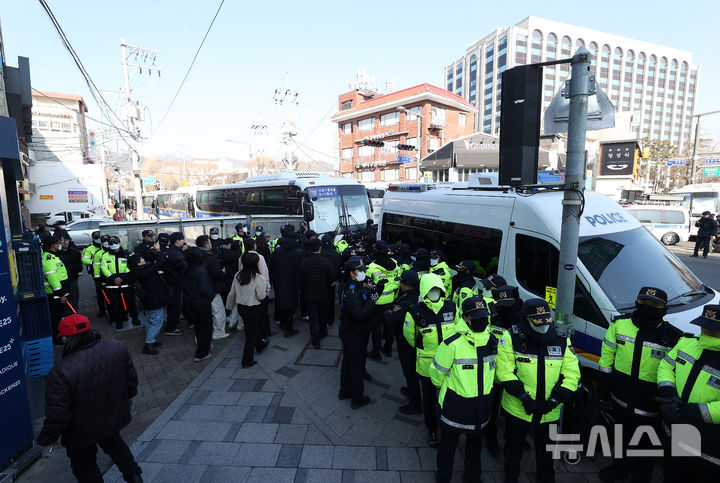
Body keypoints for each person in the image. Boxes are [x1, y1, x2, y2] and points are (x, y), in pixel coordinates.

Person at [36, 314, 143, 482]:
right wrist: (130, 399)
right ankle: (135, 477)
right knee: (115, 443)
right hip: (110, 417)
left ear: (65, 338)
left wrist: (46, 440)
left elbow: (57, 414)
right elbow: (131, 380)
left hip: (80, 431)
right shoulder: (116, 347)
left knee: (84, 464)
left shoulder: (61, 371)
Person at [597, 287, 682, 482]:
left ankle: (641, 476)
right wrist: (604, 381)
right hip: (620, 394)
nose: (648, 308)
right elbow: (607, 352)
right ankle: (618, 469)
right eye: (644, 303)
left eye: (655, 305)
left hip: (649, 400)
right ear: (636, 303)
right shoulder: (619, 325)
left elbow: (673, 369)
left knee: (646, 444)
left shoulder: (673, 336)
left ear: (664, 309)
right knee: (620, 435)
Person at [496, 299, 580, 483]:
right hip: (518, 410)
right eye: (537, 321)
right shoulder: (511, 337)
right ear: (526, 319)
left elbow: (572, 374)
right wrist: (524, 398)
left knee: (547, 456)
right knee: (512, 453)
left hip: (549, 413)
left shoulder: (561, 340)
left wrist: (554, 401)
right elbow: (504, 372)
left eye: (545, 320)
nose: (542, 326)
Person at [430, 296, 498, 483]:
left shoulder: (492, 340)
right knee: (448, 447)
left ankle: (472, 477)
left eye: (484, 315)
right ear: (464, 317)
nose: (481, 320)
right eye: (476, 316)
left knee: (475, 446)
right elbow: (436, 373)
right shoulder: (451, 343)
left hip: (481, 404)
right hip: (455, 404)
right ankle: (444, 478)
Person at [657, 303, 720, 479]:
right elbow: (666, 365)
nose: (705, 331)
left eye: (713, 329)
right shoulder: (688, 343)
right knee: (671, 474)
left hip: (709, 448)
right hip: (676, 432)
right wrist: (667, 391)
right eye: (705, 326)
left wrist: (687, 411)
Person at [403, 273, 458, 447]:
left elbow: (458, 332)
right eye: (431, 289)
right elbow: (410, 337)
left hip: (450, 365)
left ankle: (448, 426)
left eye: (437, 289)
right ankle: (432, 429)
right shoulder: (414, 312)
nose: (434, 293)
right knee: (429, 400)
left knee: (449, 398)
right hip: (427, 365)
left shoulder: (452, 308)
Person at [485, 284, 522, 456]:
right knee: (491, 410)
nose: (504, 309)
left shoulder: (523, 319)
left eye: (508, 305)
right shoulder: (493, 316)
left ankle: (513, 437)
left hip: (515, 374)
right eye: (501, 305)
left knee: (513, 411)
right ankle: (491, 439)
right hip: (493, 374)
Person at [339, 256, 377, 409]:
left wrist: (371, 289)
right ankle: (357, 398)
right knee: (355, 365)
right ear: (352, 273)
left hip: (350, 332)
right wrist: (373, 300)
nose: (363, 273)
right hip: (354, 334)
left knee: (348, 362)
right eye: (360, 270)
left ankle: (345, 391)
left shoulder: (354, 285)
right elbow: (359, 315)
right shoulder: (351, 292)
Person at [383, 270, 422, 415]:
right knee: (412, 371)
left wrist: (387, 312)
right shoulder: (419, 295)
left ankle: (415, 404)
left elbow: (391, 319)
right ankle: (411, 390)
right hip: (416, 339)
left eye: (401, 282)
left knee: (409, 372)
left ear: (406, 284)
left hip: (406, 341)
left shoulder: (406, 301)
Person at [226, 252, 268, 368]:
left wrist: (228, 308)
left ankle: (260, 345)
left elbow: (232, 293)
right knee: (251, 334)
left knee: (250, 328)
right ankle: (247, 360)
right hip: (254, 307)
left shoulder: (237, 275)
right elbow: (260, 296)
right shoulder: (259, 278)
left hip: (241, 308)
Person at [127, 255, 168, 355]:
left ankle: (152, 340)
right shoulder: (144, 272)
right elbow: (159, 262)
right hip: (154, 300)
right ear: (138, 263)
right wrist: (158, 252)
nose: (143, 258)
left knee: (150, 320)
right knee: (157, 322)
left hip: (149, 301)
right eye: (141, 258)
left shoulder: (138, 272)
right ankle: (148, 343)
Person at [298, 238, 335, 349]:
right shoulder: (326, 262)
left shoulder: (303, 263)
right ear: (320, 248)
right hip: (324, 293)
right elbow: (332, 279)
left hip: (309, 294)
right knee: (323, 315)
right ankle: (323, 331)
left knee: (313, 317)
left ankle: (315, 339)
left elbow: (299, 280)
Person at [366, 240, 399, 359]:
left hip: (376, 301)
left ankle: (376, 352)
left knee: (376, 327)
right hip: (390, 300)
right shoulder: (395, 264)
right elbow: (397, 282)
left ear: (376, 251)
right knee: (389, 326)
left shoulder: (372, 267)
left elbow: (368, 286)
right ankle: (388, 350)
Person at [270, 231, 305, 337]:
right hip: (294, 282)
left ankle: (282, 323)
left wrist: (274, 277)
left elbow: (270, 265)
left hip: (279, 280)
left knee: (281, 301)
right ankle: (289, 328)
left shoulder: (277, 251)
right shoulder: (299, 252)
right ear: (297, 240)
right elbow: (302, 268)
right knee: (291, 304)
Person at [182, 247, 214, 362]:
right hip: (202, 303)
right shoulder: (201, 271)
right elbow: (204, 289)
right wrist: (212, 296)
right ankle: (202, 353)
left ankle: (203, 347)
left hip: (192, 302)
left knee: (199, 327)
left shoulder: (187, 268)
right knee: (206, 328)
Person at [101, 236, 140, 329]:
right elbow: (104, 268)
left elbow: (131, 265)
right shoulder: (105, 255)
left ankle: (135, 319)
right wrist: (113, 278)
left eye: (115, 243)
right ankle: (119, 321)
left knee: (131, 303)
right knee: (116, 305)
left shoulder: (127, 253)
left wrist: (121, 277)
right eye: (111, 244)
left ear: (119, 243)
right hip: (112, 285)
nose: (114, 245)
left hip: (126, 283)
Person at [238, 237, 271, 343]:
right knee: (262, 313)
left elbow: (240, 272)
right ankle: (262, 335)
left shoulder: (241, 257)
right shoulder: (259, 257)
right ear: (254, 245)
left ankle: (253, 336)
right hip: (259, 288)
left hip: (246, 288)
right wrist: (267, 288)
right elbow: (265, 274)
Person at [196, 235, 228, 341]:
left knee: (206, 314)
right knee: (218, 311)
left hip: (201, 288)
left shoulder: (196, 255)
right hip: (213, 288)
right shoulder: (210, 257)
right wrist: (222, 272)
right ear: (206, 245)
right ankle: (219, 332)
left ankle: (203, 335)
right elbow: (216, 274)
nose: (211, 244)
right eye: (209, 242)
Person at [42, 234, 70, 340]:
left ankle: (59, 334)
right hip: (55, 295)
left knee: (59, 316)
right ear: (53, 245)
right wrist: (61, 294)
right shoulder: (48, 260)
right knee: (56, 317)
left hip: (58, 294)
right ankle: (57, 338)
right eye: (58, 243)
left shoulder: (53, 256)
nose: (60, 245)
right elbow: (53, 279)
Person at [163, 232, 188, 336]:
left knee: (173, 305)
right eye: (182, 240)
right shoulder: (177, 253)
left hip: (171, 282)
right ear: (177, 241)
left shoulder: (169, 251)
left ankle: (172, 325)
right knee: (176, 306)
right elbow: (184, 266)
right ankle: (171, 328)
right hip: (177, 283)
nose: (184, 242)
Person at [56, 228, 83, 309]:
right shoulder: (56, 255)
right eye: (62, 241)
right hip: (61, 282)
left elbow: (79, 264)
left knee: (74, 299)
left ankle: (74, 317)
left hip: (73, 279)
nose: (65, 243)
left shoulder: (74, 251)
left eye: (67, 240)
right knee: (63, 302)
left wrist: (77, 271)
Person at [81, 232, 106, 317]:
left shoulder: (106, 246)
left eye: (99, 238)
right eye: (96, 238)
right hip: (97, 273)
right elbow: (84, 260)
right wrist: (94, 261)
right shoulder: (89, 249)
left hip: (108, 271)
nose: (98, 240)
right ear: (93, 239)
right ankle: (102, 309)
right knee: (100, 292)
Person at [320, 234, 342, 326]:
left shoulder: (320, 253)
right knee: (331, 301)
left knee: (322, 301)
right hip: (332, 281)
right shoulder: (336, 254)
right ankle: (330, 319)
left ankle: (322, 319)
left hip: (321, 281)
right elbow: (338, 267)